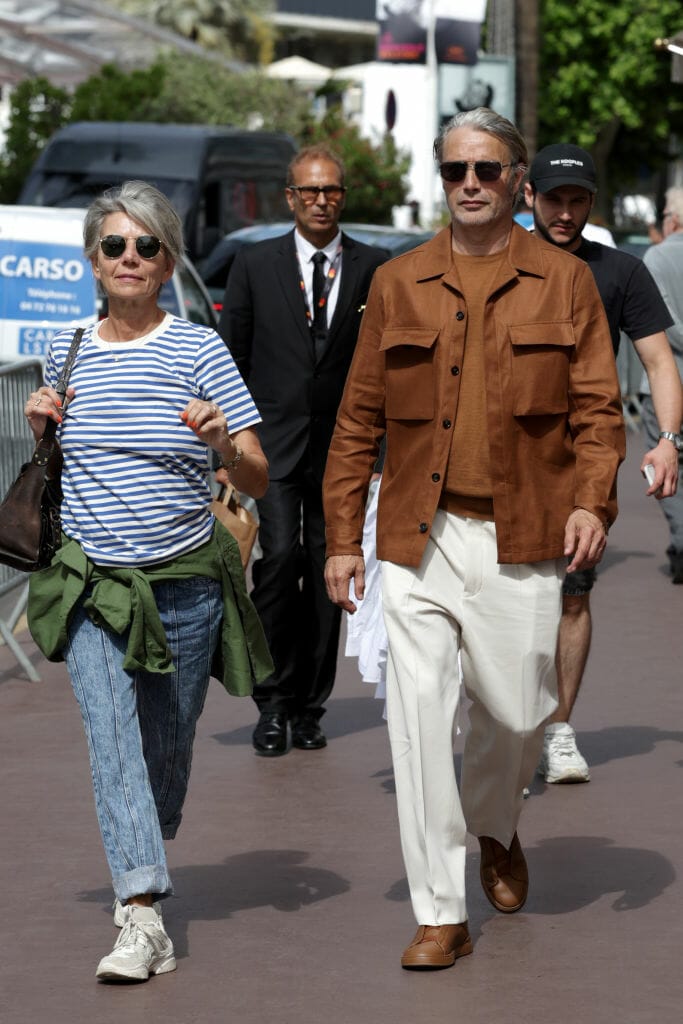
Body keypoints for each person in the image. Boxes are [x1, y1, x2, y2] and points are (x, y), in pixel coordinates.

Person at [323, 107, 625, 970]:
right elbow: (357, 418)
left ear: (517, 181)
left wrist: (590, 504)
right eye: (454, 169)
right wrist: (343, 536)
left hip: (522, 537)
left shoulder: (564, 284)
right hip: (419, 536)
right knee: (415, 723)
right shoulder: (398, 281)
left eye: (486, 171)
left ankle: (494, 826)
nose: (468, 185)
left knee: (518, 712)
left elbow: (599, 413)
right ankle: (438, 912)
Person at [24, 180, 272, 982]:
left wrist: (222, 444)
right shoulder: (68, 348)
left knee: (165, 749)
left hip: (188, 583)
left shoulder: (200, 350)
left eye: (146, 247)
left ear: (167, 262)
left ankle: (141, 847)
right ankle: (140, 915)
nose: (129, 260)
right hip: (94, 583)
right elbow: (53, 464)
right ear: (94, 262)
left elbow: (261, 475)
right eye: (114, 247)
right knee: (112, 739)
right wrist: (41, 425)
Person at [218, 145, 385, 757]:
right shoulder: (255, 263)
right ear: (290, 197)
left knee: (331, 574)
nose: (321, 201)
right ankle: (272, 702)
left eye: (332, 191)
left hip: (344, 450)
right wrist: (233, 444)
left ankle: (311, 707)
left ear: (343, 196)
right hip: (270, 449)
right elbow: (228, 357)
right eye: (310, 191)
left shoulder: (374, 267)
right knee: (276, 561)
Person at [524, 145, 682, 783]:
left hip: (582, 460)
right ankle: (507, 729)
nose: (565, 213)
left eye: (578, 200)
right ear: (528, 196)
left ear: (592, 202)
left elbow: (660, 361)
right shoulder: (494, 262)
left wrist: (670, 437)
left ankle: (557, 728)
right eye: (554, 199)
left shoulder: (620, 272)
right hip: (496, 460)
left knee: (571, 593)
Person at [639, 187, 683, 582]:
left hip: (672, 378)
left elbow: (663, 326)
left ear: (672, 219)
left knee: (669, 464)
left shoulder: (658, 255)